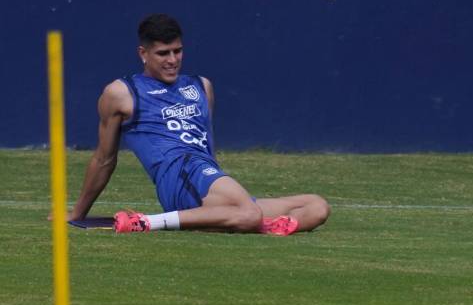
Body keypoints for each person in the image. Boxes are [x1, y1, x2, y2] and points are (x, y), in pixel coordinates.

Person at [69, 13, 331, 235]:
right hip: (178, 177)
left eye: (177, 51)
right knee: (249, 213)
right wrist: (77, 214)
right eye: (163, 53)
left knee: (317, 206)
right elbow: (104, 159)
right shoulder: (122, 92)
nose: (172, 60)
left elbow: (207, 144)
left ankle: (244, 222)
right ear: (143, 53)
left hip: (208, 178)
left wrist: (217, 181)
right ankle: (147, 222)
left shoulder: (201, 86)